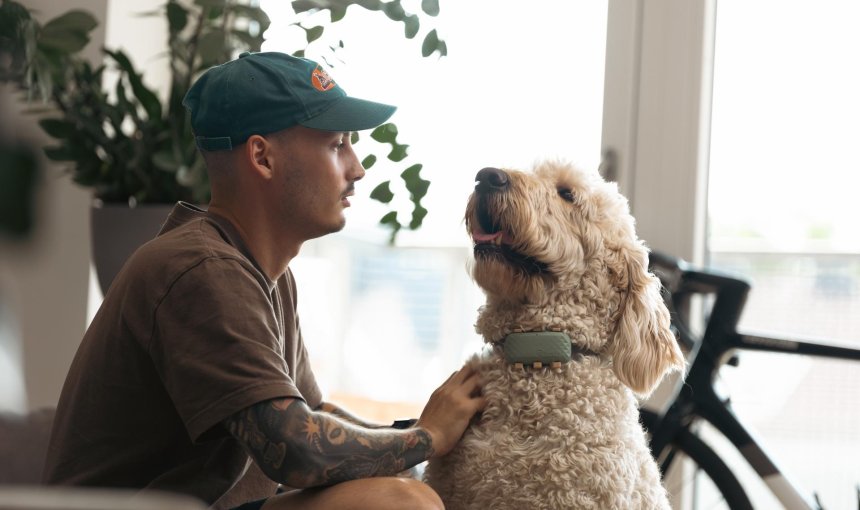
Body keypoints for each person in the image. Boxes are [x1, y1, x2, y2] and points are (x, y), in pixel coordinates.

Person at [43, 51, 486, 510]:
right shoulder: (200, 271)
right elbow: (294, 448)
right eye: (337, 145)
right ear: (262, 157)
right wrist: (426, 436)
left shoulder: (262, 273)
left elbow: (312, 417)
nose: (357, 168)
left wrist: (424, 435)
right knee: (397, 505)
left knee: (409, 491)